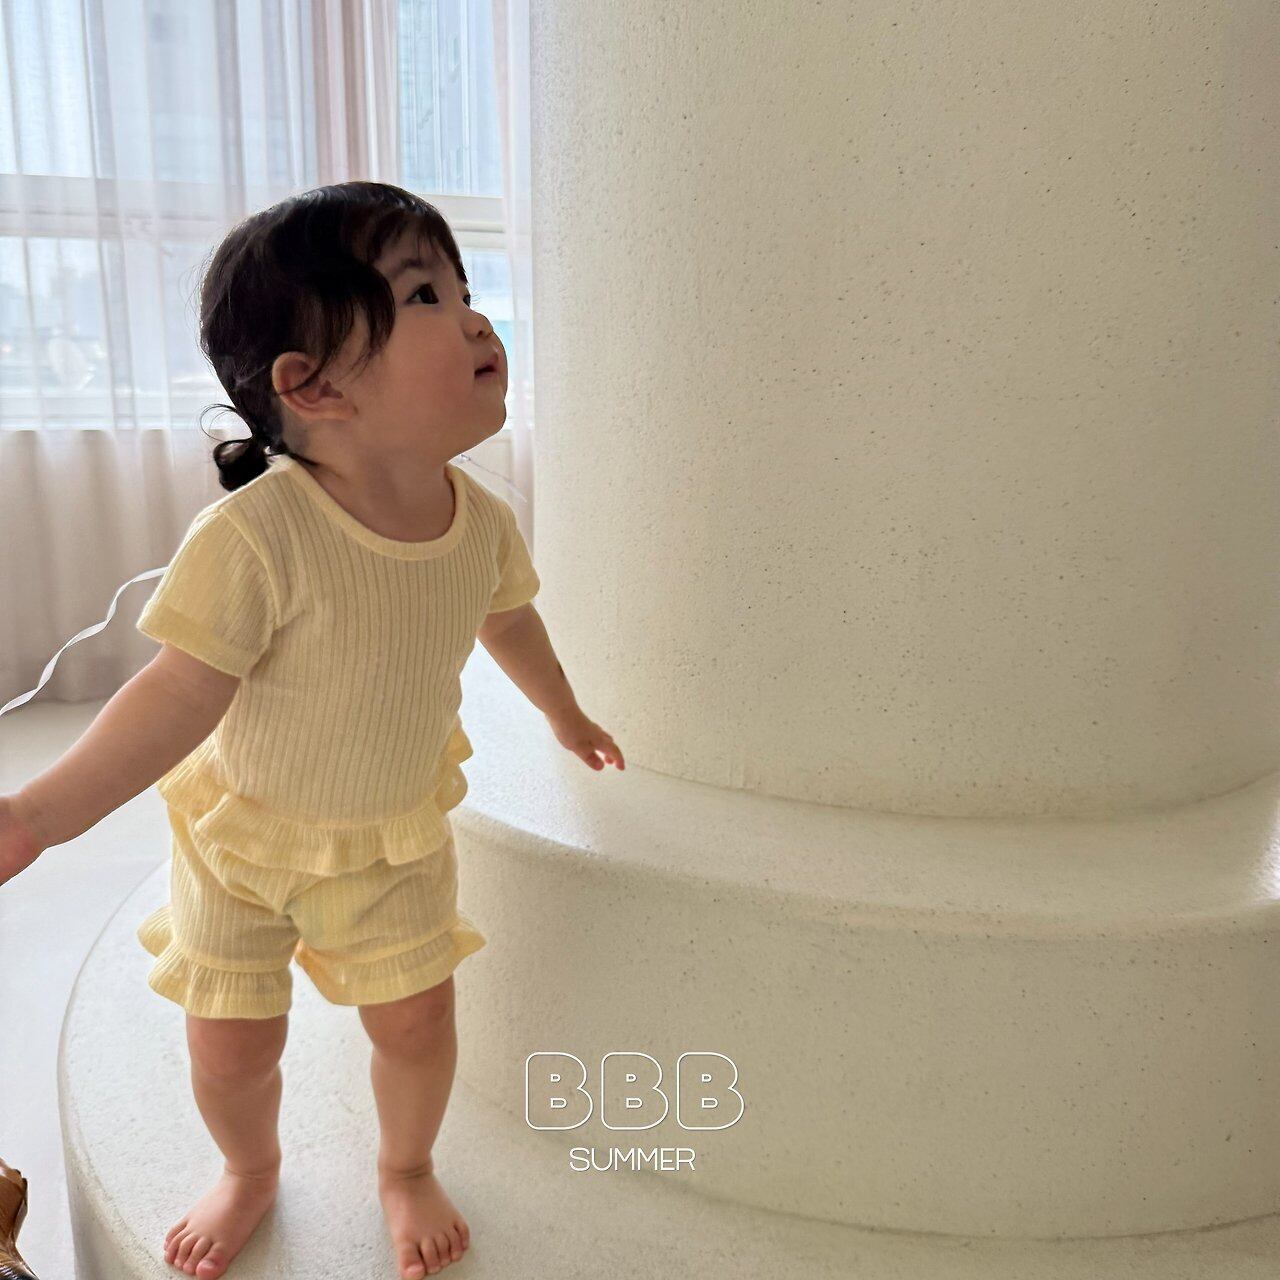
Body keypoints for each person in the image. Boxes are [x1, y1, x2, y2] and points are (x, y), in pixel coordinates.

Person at [0, 180, 624, 1280]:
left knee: (417, 1025)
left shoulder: (482, 522)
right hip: (240, 844)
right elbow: (175, 694)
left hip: (389, 838)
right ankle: (248, 1168)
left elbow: (508, 621)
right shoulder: (259, 537)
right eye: (424, 295)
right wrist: (37, 816)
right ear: (314, 385)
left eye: (466, 289)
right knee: (230, 1043)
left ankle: (405, 1165)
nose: (477, 318)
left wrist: (563, 712)